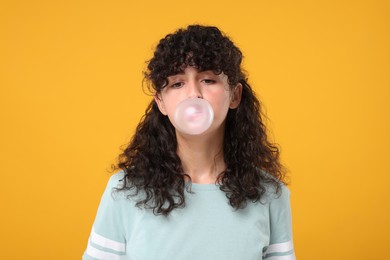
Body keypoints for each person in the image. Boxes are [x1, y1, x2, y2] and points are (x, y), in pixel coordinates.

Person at [83, 24, 296, 260]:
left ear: (235, 95)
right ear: (161, 102)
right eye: (177, 83)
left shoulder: (269, 194)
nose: (193, 94)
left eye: (208, 80)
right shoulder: (125, 191)